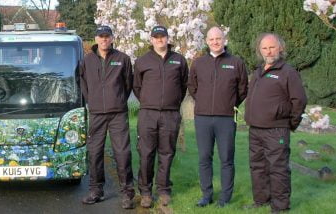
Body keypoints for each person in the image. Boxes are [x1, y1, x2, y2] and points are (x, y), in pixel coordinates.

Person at [243, 33, 307, 213]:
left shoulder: (288, 72)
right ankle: (261, 200)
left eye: (272, 47)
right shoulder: (258, 71)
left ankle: (280, 207)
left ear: (280, 48)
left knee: (277, 169)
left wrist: (290, 123)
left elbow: (299, 100)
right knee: (258, 167)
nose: (268, 51)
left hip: (276, 130)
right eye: (264, 48)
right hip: (255, 129)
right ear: (260, 51)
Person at [187, 27, 249, 208]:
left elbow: (243, 89)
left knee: (226, 158)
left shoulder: (236, 62)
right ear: (207, 41)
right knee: (204, 157)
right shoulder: (198, 63)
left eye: (218, 38)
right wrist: (204, 102)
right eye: (212, 39)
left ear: (224, 40)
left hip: (226, 118)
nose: (215, 42)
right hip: (203, 118)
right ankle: (206, 195)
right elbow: (192, 86)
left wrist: (230, 103)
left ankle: (225, 197)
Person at [79, 25, 135, 209]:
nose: (104, 39)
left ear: (111, 38)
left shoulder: (123, 59)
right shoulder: (87, 61)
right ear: (96, 39)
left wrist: (117, 101)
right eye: (100, 36)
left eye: (107, 36)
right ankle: (96, 190)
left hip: (118, 113)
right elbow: (83, 84)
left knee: (122, 153)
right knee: (95, 152)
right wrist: (93, 102)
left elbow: (128, 85)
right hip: (96, 114)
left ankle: (127, 193)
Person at [133, 25, 188, 208]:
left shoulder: (179, 60)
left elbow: (183, 85)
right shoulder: (142, 61)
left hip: (170, 115)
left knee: (166, 153)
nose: (159, 40)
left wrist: (171, 103)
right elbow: (137, 87)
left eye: (162, 37)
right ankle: (146, 192)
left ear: (167, 38)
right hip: (148, 114)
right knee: (146, 153)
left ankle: (163, 189)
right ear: (151, 40)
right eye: (156, 37)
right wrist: (149, 102)